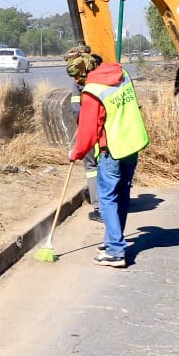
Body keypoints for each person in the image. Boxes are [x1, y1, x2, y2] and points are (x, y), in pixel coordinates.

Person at [68, 53, 149, 267]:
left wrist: (76, 153)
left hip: (113, 148)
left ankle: (115, 251)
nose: (77, 82)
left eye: (78, 77)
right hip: (132, 144)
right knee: (122, 195)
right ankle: (112, 240)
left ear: (85, 72)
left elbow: (87, 132)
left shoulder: (93, 92)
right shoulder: (122, 74)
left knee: (107, 198)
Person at [64, 45, 102, 220]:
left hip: (90, 132)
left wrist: (83, 129)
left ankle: (99, 207)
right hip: (109, 133)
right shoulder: (104, 78)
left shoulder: (79, 84)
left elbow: (76, 110)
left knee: (92, 167)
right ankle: (114, 201)